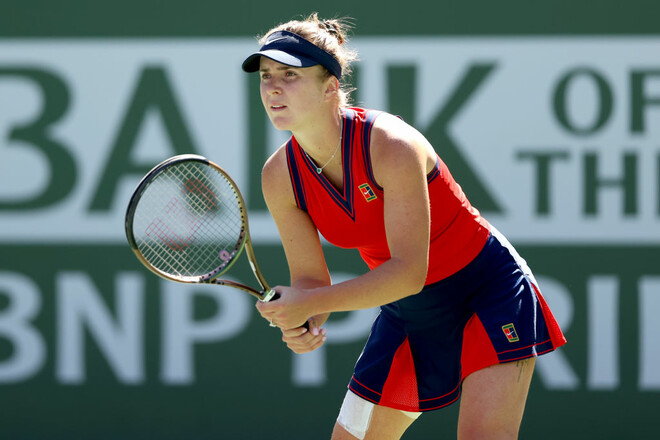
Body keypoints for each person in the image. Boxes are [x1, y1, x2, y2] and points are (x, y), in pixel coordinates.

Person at [242, 13, 566, 440]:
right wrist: (302, 319)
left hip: (488, 291)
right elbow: (312, 282)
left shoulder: (391, 145)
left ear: (330, 87)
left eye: (290, 75)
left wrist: (308, 302)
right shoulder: (278, 177)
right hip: (410, 313)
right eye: (266, 76)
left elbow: (409, 273)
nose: (273, 87)